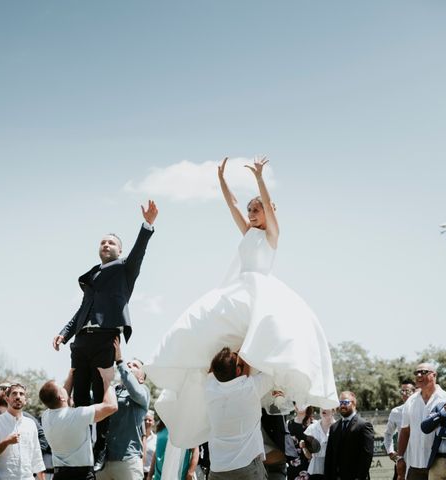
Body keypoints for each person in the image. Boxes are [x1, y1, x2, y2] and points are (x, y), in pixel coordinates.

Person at [144, 157, 338, 447]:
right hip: (240, 290)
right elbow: (233, 205)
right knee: (205, 329)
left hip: (261, 291)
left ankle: (267, 392)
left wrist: (260, 178)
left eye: (256, 209)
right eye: (250, 210)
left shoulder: (272, 234)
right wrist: (222, 181)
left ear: (268, 211)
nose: (251, 213)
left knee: (265, 337)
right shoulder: (248, 232)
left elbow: (268, 205)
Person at [52, 200, 158, 466]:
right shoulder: (92, 278)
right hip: (82, 341)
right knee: (80, 396)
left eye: (111, 242)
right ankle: (83, 445)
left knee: (102, 396)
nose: (106, 245)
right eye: (102, 242)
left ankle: (101, 447)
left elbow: (139, 252)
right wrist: (64, 334)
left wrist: (148, 225)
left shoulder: (124, 270)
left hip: (105, 339)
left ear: (119, 250)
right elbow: (81, 310)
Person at [205, 347, 273, 479]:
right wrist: (245, 351)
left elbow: (212, 371)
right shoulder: (250, 388)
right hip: (247, 467)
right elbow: (271, 371)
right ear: (238, 370)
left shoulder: (209, 390)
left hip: (218, 469)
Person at [39, 367, 118, 480]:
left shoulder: (46, 416)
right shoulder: (77, 415)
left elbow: (61, 397)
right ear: (62, 397)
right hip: (82, 476)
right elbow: (111, 406)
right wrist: (107, 380)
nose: (64, 388)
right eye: (61, 388)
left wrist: (71, 375)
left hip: (60, 475)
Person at [97, 338, 150, 480]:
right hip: (103, 461)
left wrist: (120, 360)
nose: (129, 366)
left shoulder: (143, 391)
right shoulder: (111, 391)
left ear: (141, 378)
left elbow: (134, 389)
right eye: (128, 365)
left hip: (128, 461)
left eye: (135, 366)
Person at [0, 382, 52, 474]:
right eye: (2, 388)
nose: (18, 396)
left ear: (25, 400)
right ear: (7, 398)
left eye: (21, 394)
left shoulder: (30, 422)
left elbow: (37, 458)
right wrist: (6, 442)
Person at [396, 364, 446, 480]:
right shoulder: (411, 401)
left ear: (434, 375)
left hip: (440, 466)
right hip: (415, 466)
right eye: (416, 373)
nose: (419, 375)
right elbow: (405, 431)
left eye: (423, 372)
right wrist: (400, 458)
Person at [323, 391, 374, 480]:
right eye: (340, 403)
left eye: (345, 402)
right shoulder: (334, 427)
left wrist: (360, 477)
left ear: (354, 404)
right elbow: (329, 456)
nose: (342, 405)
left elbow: (367, 456)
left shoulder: (364, 425)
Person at [385, 381, 416, 480]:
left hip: (420, 458)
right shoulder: (396, 412)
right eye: (401, 391)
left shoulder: (423, 409)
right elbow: (388, 434)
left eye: (406, 391)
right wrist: (390, 451)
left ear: (414, 392)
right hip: (402, 459)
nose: (403, 394)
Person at [303, 408, 336, 479]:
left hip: (333, 469)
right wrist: (304, 448)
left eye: (327, 406)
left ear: (333, 411)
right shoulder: (312, 428)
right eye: (322, 407)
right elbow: (308, 456)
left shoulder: (339, 427)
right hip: (315, 470)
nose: (323, 409)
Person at [287, 405, 314, 480]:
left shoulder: (314, 424)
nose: (300, 405)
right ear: (295, 406)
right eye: (297, 402)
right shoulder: (289, 424)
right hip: (293, 465)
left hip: (309, 465)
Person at [142, 411, 157, 479]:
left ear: (153, 422)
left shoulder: (156, 439)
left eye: (149, 420)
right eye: (145, 420)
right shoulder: (136, 438)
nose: (147, 422)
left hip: (149, 475)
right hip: (136, 472)